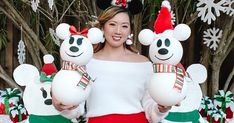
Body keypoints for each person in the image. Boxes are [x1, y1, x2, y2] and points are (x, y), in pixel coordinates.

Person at [52, 6, 172, 123]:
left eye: (124, 26)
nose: (118, 31)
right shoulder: (86, 63)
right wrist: (62, 106)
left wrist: (161, 109)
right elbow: (77, 109)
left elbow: (151, 110)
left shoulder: (144, 64)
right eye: (112, 24)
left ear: (130, 30)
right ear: (103, 28)